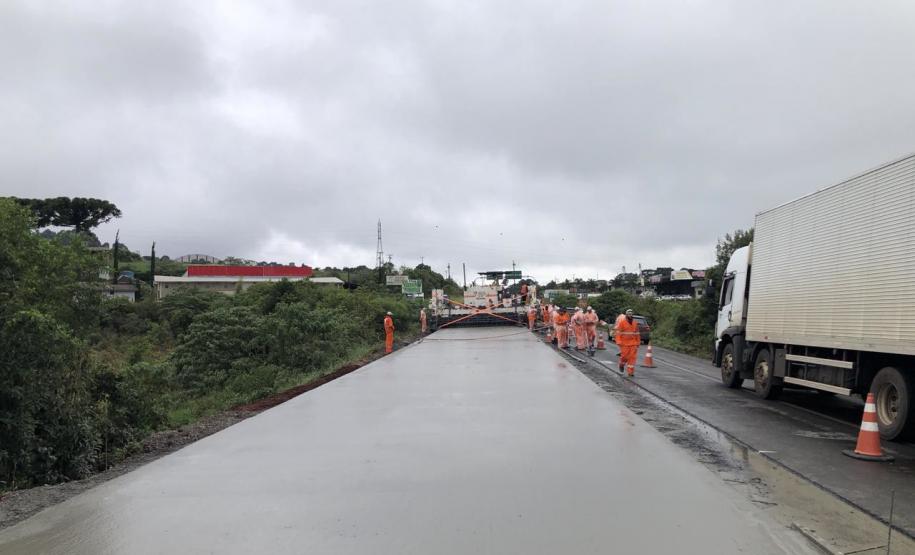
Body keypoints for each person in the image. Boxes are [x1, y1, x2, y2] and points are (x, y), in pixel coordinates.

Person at [615, 309, 641, 376]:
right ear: (626, 315)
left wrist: (638, 342)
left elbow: (637, 333)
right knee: (624, 357)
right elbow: (618, 333)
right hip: (624, 343)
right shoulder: (622, 322)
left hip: (633, 343)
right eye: (629, 314)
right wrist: (618, 341)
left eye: (631, 314)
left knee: (632, 357)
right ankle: (621, 364)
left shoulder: (635, 323)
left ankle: (630, 372)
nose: (630, 315)